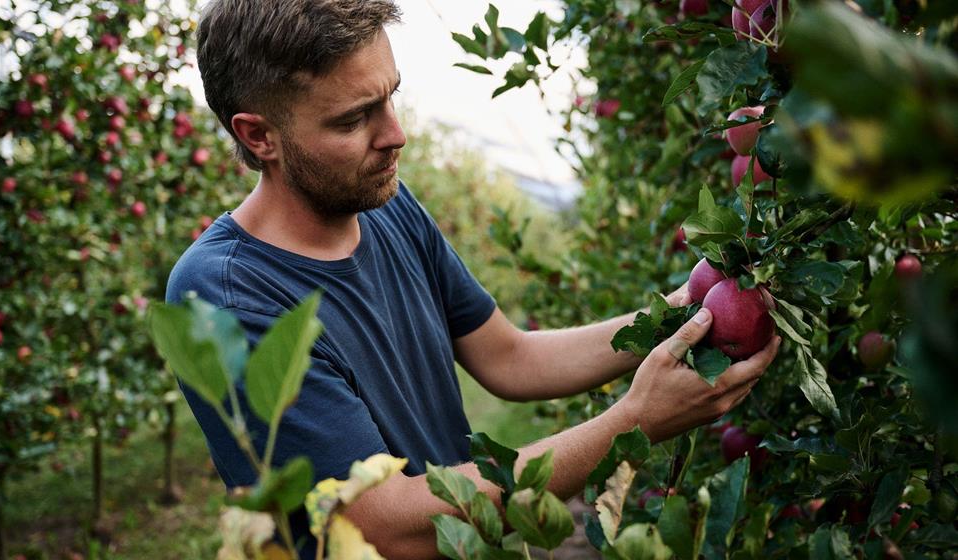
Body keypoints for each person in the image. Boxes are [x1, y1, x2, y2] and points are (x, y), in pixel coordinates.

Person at [165, 0, 781, 557]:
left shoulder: (387, 208)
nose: (395, 135)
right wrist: (635, 420)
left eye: (391, 97)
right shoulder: (223, 293)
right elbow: (387, 527)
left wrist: (678, 317)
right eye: (355, 119)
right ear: (258, 135)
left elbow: (510, 358)